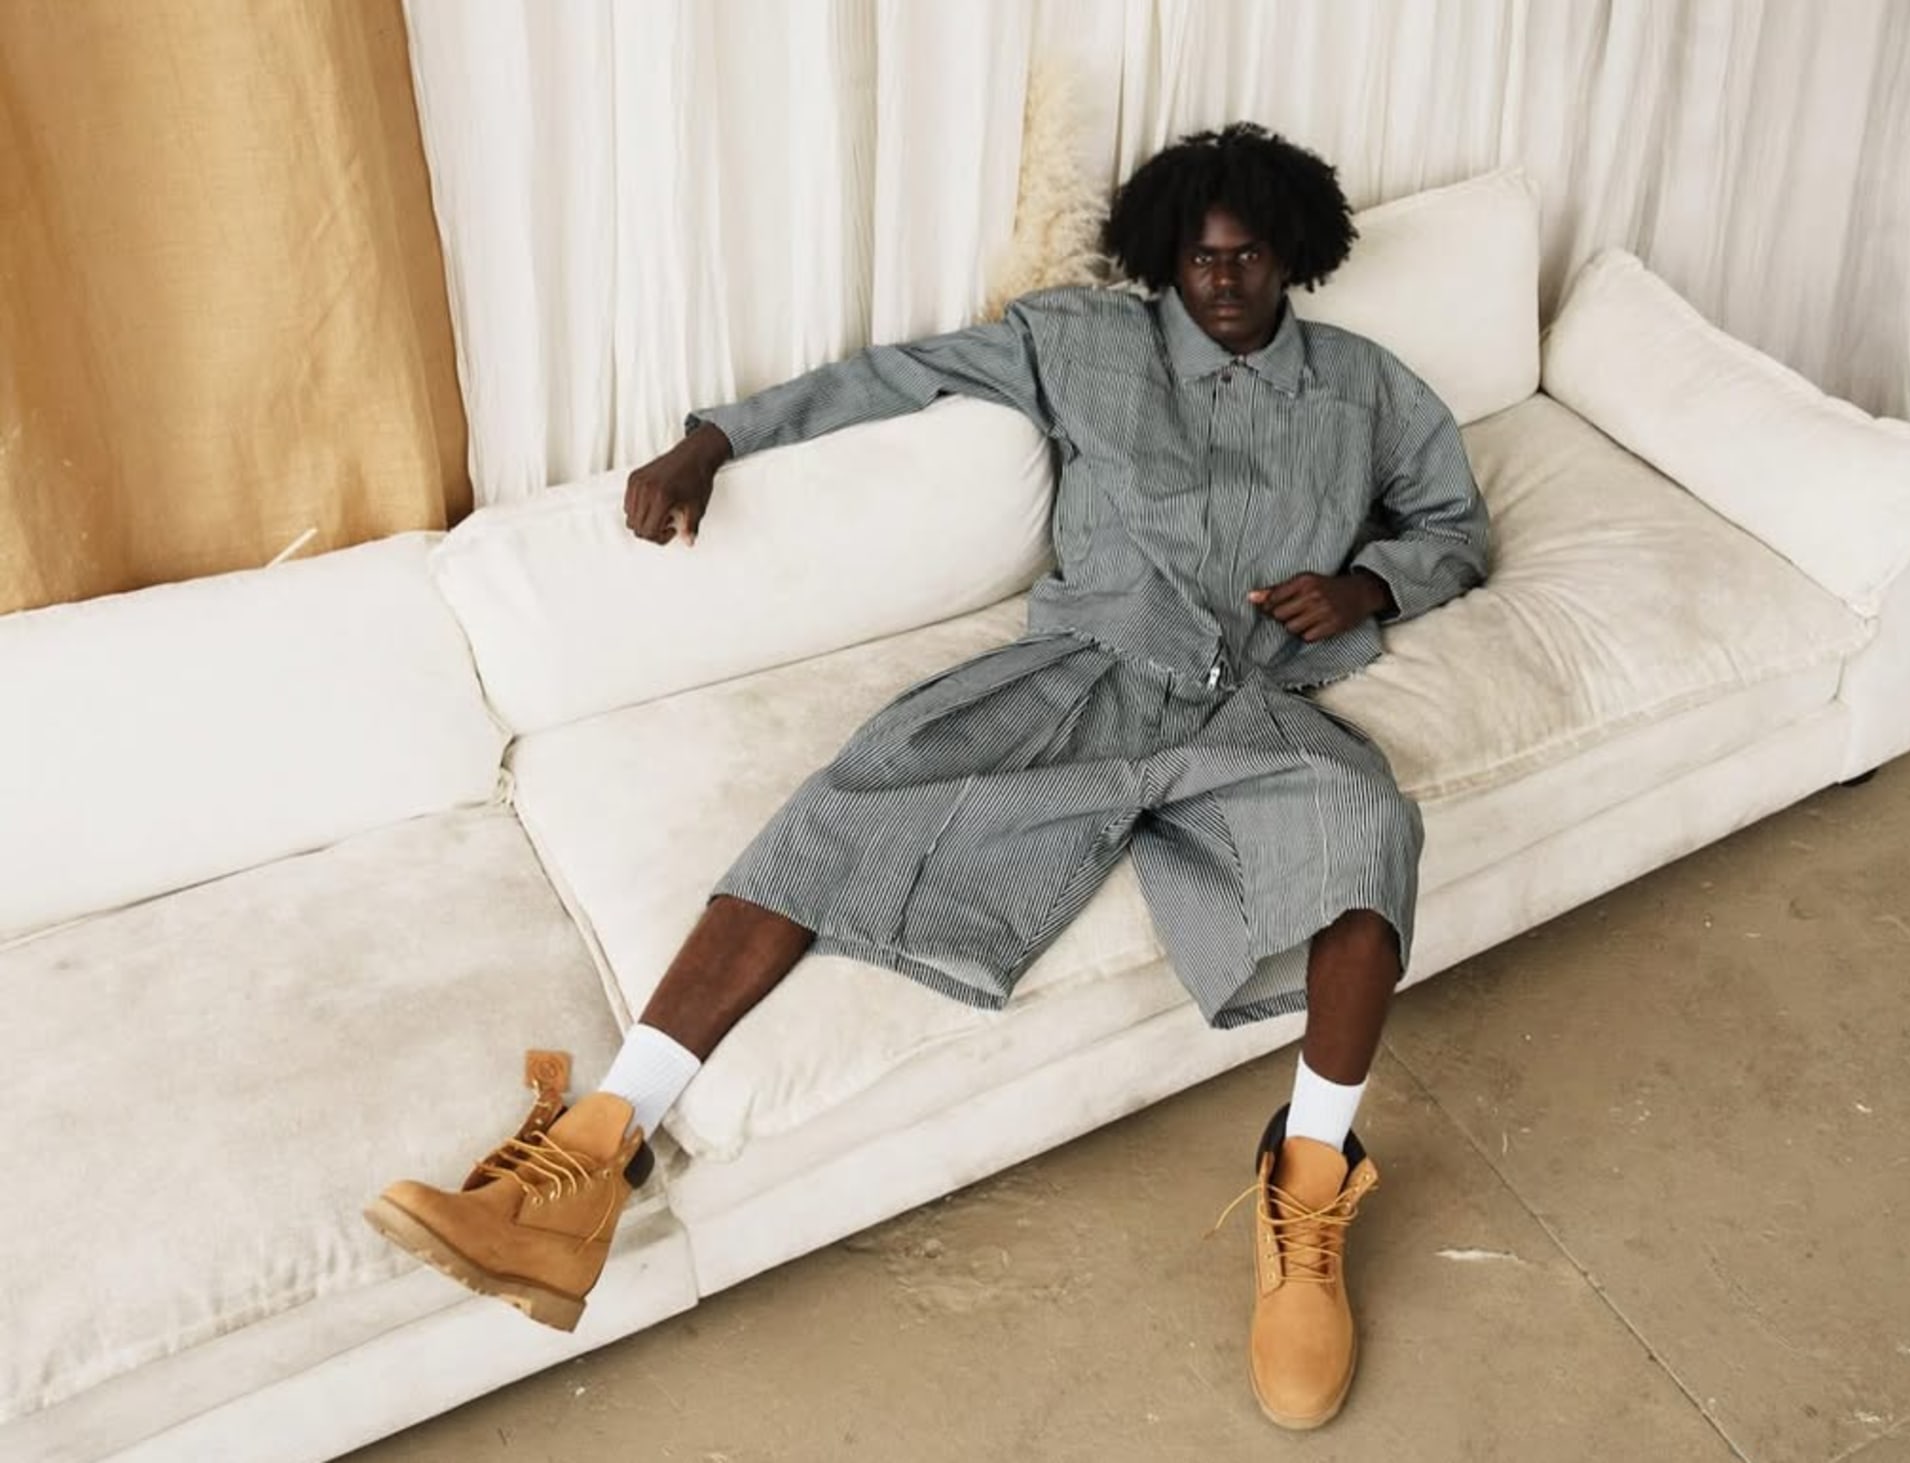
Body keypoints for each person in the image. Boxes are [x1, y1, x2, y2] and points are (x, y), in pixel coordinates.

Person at [366, 122, 1488, 1431]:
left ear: (1295, 250)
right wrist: (716, 438)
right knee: (839, 809)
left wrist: (1365, 582)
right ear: (1164, 257)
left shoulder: (1369, 389)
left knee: (1367, 835)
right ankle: (582, 1163)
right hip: (1079, 676)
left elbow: (1457, 528)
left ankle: (1308, 1185)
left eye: (1249, 256)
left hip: (1253, 708)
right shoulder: (1082, 341)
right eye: (1200, 256)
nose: (1225, 280)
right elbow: (890, 376)